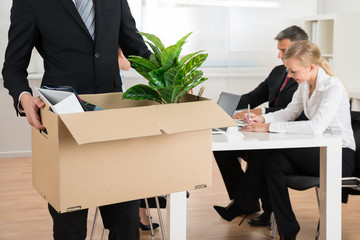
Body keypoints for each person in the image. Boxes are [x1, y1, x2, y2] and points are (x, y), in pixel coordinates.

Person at [2, 0, 152, 239]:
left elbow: (136, 49)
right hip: (65, 127)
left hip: (114, 126)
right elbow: (12, 66)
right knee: (69, 227)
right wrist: (23, 97)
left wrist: (171, 79)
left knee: (126, 222)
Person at [241, 40, 355, 239]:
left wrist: (268, 127)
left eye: (293, 71)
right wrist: (262, 118)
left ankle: (242, 201)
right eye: (288, 70)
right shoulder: (304, 85)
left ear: (311, 67)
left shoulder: (332, 87)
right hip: (316, 151)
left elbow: (315, 127)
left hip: (338, 156)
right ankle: (288, 229)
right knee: (271, 162)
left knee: (265, 151)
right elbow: (289, 113)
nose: (289, 76)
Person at [213, 25, 308, 227]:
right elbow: (253, 97)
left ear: (300, 49)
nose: (279, 55)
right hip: (267, 132)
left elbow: (293, 113)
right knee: (223, 151)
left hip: (287, 136)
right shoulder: (277, 72)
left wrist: (262, 113)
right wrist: (220, 107)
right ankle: (246, 200)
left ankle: (253, 206)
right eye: (279, 50)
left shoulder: (303, 76)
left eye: (283, 50)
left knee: (260, 154)